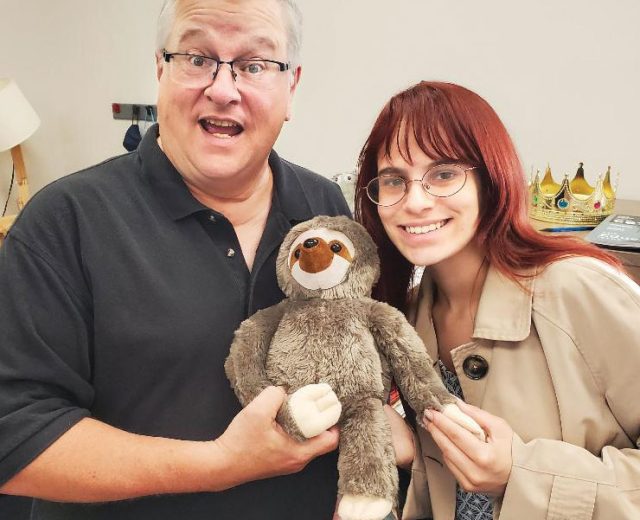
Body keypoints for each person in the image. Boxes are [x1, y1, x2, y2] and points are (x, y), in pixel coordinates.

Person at [0, 1, 353, 518]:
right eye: (197, 57)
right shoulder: (65, 221)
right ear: (161, 69)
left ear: (291, 88)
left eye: (254, 65)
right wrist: (219, 464)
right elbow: (16, 438)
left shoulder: (325, 208)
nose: (224, 89)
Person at [355, 81, 640, 519]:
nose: (414, 202)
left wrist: (522, 472)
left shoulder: (576, 290)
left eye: (444, 174)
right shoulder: (408, 318)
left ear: (491, 180)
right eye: (394, 180)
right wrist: (412, 454)